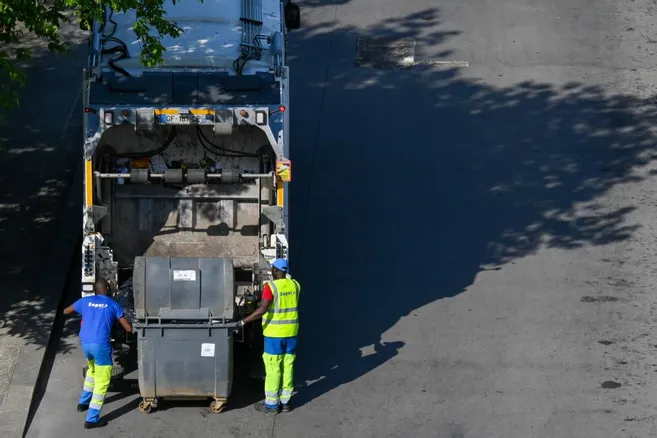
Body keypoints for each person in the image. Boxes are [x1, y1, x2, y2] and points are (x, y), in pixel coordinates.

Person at [63, 279, 132, 429]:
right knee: (102, 381)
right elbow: (128, 329)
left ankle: (83, 403)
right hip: (101, 346)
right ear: (107, 288)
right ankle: (92, 419)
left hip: (86, 344)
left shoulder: (85, 301)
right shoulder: (114, 305)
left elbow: (66, 311)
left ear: (95, 289)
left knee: (92, 371)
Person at [238, 258, 301, 414]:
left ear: (276, 270)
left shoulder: (271, 287)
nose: (272, 271)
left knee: (273, 368)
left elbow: (262, 309)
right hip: (292, 332)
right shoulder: (295, 285)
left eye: (273, 269)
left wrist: (242, 321)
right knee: (288, 366)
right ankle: (286, 402)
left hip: (274, 335)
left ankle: (271, 405)